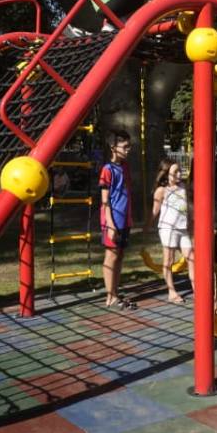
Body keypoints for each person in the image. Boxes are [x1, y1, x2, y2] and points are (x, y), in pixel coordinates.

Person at [100, 130, 135, 309]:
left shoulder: (125, 166)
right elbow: (105, 201)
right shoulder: (107, 170)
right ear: (113, 147)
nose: (128, 149)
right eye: (125, 146)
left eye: (129, 146)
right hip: (112, 220)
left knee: (120, 256)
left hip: (124, 220)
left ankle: (115, 291)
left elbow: (125, 193)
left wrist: (129, 218)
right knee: (111, 255)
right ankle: (110, 296)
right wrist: (111, 225)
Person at [151, 159, 190, 305]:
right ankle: (171, 291)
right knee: (169, 260)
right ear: (166, 174)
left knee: (191, 257)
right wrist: (147, 226)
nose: (179, 174)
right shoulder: (162, 190)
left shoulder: (182, 187)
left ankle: (197, 286)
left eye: (180, 171)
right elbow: (155, 210)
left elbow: (187, 206)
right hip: (168, 229)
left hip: (182, 228)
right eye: (175, 172)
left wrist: (192, 220)